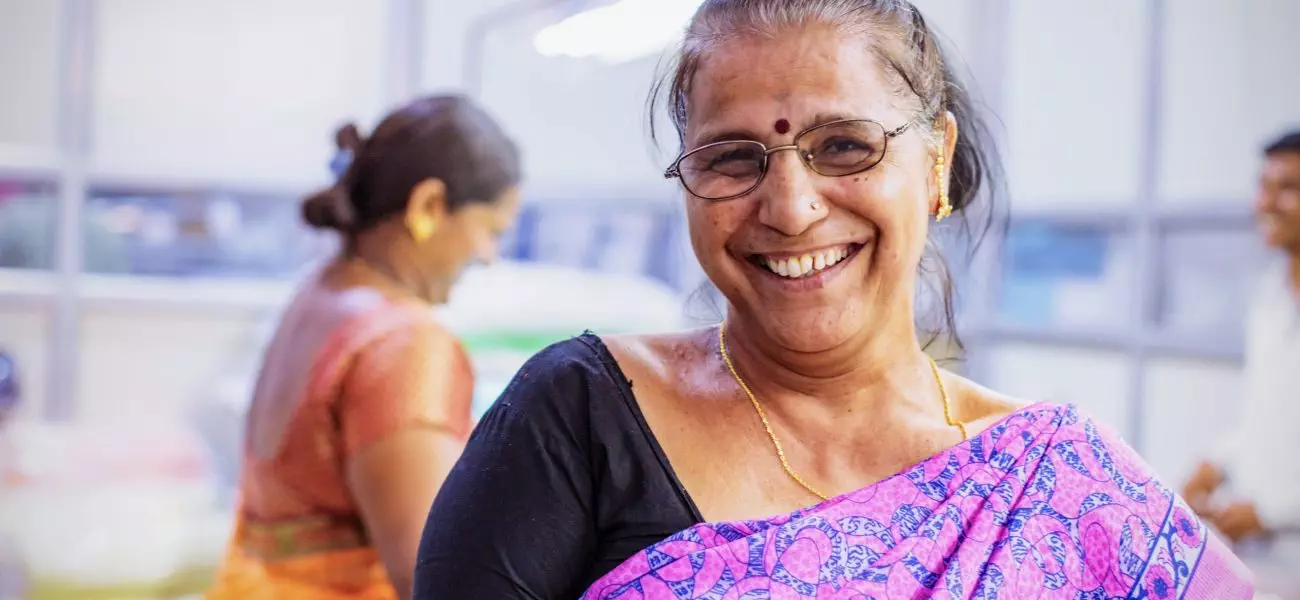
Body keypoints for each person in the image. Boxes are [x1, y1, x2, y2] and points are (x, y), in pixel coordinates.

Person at [414, 2, 1253, 598]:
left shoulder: (1062, 488)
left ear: (935, 162)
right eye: (733, 158)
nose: (789, 207)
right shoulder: (579, 416)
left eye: (844, 147)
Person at [205, 94, 522, 600]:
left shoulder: (318, 296)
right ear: (429, 207)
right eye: (489, 230)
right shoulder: (405, 343)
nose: (488, 257)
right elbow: (435, 581)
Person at [1183, 130, 1300, 544]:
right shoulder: (1272, 295)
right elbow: (1273, 414)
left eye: (1288, 189)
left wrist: (1273, 512)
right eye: (1263, 187)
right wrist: (1215, 464)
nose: (1266, 204)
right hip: (1265, 556)